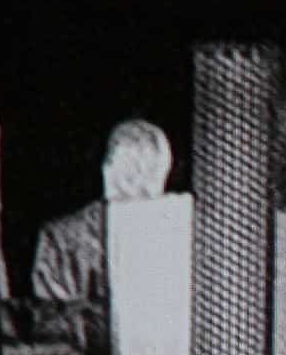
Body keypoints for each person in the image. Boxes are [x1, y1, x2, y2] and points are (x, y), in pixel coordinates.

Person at [28, 118, 175, 321]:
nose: (140, 188)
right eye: (131, 177)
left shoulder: (173, 241)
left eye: (151, 178)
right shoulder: (61, 240)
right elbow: (55, 328)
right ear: (107, 171)